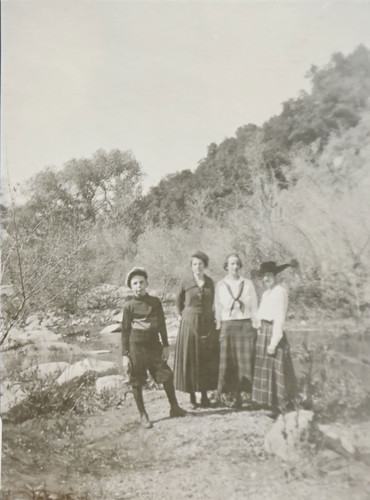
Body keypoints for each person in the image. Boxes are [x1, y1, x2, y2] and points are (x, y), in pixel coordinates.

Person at [122, 267, 186, 428]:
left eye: (141, 282)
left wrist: (165, 345)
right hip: (136, 346)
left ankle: (174, 407)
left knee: (166, 374)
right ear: (131, 286)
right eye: (135, 283)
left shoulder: (155, 302)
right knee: (136, 380)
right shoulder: (128, 306)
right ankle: (143, 415)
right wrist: (125, 354)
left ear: (147, 283)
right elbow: (125, 332)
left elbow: (162, 325)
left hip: (153, 345)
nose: (139, 286)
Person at [252, 260, 298, 418]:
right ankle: (272, 405)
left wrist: (274, 341)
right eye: (264, 276)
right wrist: (258, 328)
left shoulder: (280, 292)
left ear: (275, 276)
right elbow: (260, 314)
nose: (266, 279)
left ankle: (284, 406)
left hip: (273, 333)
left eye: (269, 275)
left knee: (279, 371)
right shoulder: (265, 294)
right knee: (268, 369)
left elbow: (280, 317)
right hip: (263, 331)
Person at [173, 251, 219, 409]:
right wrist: (180, 316)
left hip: (207, 323)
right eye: (194, 264)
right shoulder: (185, 282)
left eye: (200, 264)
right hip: (189, 323)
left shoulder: (210, 282)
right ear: (191, 266)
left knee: (205, 359)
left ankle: (205, 395)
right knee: (191, 358)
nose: (197, 267)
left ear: (205, 265)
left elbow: (214, 302)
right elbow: (178, 301)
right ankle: (192, 395)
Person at [215, 253, 259, 408]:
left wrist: (256, 326)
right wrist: (219, 328)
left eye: (237, 264)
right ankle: (230, 396)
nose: (234, 267)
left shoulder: (248, 284)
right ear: (226, 266)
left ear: (240, 266)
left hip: (245, 326)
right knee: (230, 362)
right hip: (228, 326)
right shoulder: (220, 285)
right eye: (231, 264)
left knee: (246, 362)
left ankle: (247, 395)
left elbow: (254, 306)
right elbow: (218, 309)